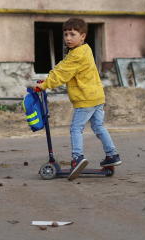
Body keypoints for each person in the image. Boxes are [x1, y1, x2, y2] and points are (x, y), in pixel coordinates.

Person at [32, 18, 121, 177]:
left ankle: (77, 157)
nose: (68, 38)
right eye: (66, 34)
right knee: (98, 127)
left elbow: (63, 73)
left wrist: (44, 85)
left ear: (83, 36)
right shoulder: (84, 50)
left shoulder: (77, 55)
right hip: (97, 97)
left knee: (75, 128)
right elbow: (62, 66)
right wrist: (47, 79)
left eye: (72, 34)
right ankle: (112, 155)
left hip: (85, 99)